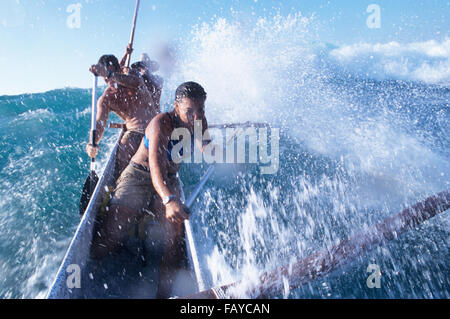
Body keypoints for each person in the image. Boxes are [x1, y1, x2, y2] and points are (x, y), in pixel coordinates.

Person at [91, 82, 210, 299]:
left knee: (174, 238)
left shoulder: (200, 121)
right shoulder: (160, 124)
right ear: (176, 106)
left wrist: (219, 151)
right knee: (110, 235)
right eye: (189, 111)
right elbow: (155, 167)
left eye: (200, 110)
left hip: (169, 178)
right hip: (139, 174)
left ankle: (162, 295)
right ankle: (89, 275)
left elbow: (207, 148)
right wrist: (169, 199)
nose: (196, 116)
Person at [87, 54, 160, 177]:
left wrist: (109, 74)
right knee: (126, 144)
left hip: (154, 129)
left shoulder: (134, 75)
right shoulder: (106, 98)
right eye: (105, 75)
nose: (108, 79)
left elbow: (136, 82)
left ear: (119, 70)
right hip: (134, 133)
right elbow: (99, 123)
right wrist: (92, 143)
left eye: (111, 72)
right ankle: (122, 182)